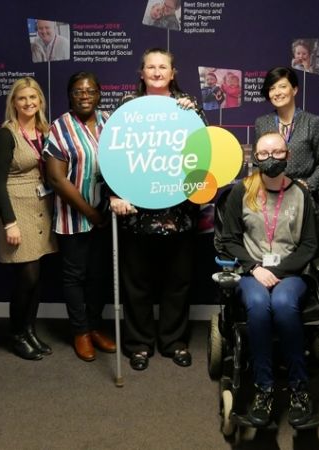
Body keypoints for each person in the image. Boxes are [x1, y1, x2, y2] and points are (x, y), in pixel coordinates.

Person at [110, 48, 205, 371]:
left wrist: (193, 117)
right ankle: (138, 345)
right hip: (136, 216)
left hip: (177, 215)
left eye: (162, 66)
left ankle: (173, 341)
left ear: (173, 72)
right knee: (136, 284)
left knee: (177, 283)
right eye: (150, 66)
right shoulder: (126, 108)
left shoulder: (188, 106)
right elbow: (112, 157)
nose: (156, 71)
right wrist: (114, 195)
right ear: (141, 73)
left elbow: (203, 156)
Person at [217, 132, 319, 427]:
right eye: (264, 153)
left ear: (288, 155)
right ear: (255, 158)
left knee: (285, 303)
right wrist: (254, 267)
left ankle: (299, 388)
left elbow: (310, 245)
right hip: (253, 271)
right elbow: (230, 240)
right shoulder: (242, 191)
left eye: (277, 152)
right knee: (259, 305)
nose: (270, 158)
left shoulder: (301, 194)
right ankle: (264, 387)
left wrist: (279, 271)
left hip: (290, 271)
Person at [45, 72, 116, 362]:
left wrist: (104, 211)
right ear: (69, 96)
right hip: (73, 216)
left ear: (99, 93)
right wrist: (90, 212)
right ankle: (80, 331)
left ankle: (96, 326)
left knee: (99, 275)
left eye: (89, 91)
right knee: (75, 275)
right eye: (77, 92)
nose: (84, 96)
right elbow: (56, 179)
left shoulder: (110, 122)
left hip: (106, 213)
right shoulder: (60, 127)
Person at [0, 77, 57, 361]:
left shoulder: (46, 130)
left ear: (40, 101)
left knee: (37, 275)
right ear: (13, 103)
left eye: (33, 97)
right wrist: (9, 223)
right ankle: (16, 334)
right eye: (22, 99)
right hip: (17, 209)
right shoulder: (6, 135)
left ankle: (29, 330)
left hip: (42, 206)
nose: (28, 103)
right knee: (26, 276)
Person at [254, 67, 319, 197]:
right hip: (270, 195)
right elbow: (256, 163)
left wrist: (308, 185)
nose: (277, 92)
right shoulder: (262, 123)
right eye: (272, 88)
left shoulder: (313, 122)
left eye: (282, 86)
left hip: (304, 195)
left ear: (294, 90)